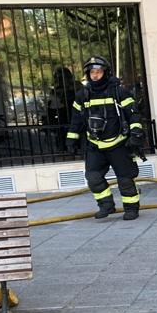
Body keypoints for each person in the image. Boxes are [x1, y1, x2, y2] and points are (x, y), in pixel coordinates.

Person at [66, 56, 145, 220]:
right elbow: (76, 120)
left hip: (118, 144)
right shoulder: (83, 95)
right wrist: (71, 139)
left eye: (98, 72)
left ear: (105, 73)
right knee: (93, 177)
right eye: (92, 72)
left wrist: (135, 134)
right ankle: (106, 206)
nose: (95, 75)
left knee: (125, 179)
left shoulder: (119, 92)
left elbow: (133, 115)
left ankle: (131, 209)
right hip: (95, 145)